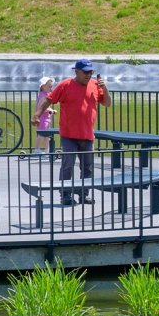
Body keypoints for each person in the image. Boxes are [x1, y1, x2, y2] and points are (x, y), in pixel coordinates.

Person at [31, 59, 111, 206]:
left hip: (87, 135)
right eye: (85, 72)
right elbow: (48, 100)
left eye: (91, 72)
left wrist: (104, 88)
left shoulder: (95, 85)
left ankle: (83, 194)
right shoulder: (65, 85)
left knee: (87, 167)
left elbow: (107, 103)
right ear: (77, 71)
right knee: (68, 165)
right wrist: (37, 114)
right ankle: (66, 195)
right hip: (69, 135)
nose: (88, 75)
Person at [32, 76, 56, 156]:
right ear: (43, 86)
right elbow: (40, 108)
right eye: (49, 86)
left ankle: (47, 150)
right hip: (42, 119)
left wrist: (50, 110)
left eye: (51, 86)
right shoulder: (43, 96)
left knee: (47, 136)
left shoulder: (44, 95)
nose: (51, 88)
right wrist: (50, 110)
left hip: (46, 119)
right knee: (41, 135)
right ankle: (37, 149)